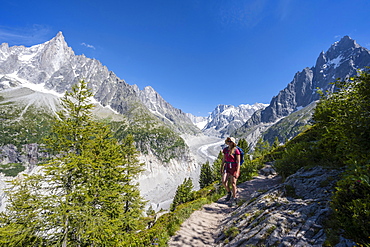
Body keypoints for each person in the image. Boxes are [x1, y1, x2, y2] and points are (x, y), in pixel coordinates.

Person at [221, 137, 240, 206]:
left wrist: (237, 172)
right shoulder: (225, 150)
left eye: (230, 141)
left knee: (233, 183)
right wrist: (221, 167)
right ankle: (229, 192)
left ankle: (234, 198)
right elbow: (223, 159)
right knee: (223, 181)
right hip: (227, 166)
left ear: (233, 143)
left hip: (234, 167)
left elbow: (238, 162)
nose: (229, 142)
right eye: (228, 141)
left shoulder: (236, 150)